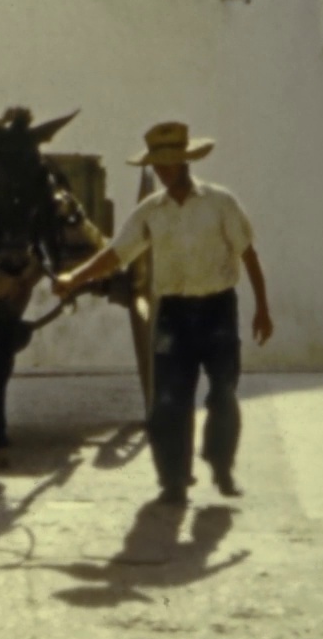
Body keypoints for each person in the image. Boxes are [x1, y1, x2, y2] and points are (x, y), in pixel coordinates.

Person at [52, 121, 273, 505]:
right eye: (158, 165)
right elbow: (116, 254)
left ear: (185, 163)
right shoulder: (150, 212)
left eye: (170, 163)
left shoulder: (221, 203)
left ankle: (221, 466)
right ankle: (174, 478)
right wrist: (75, 276)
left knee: (223, 394)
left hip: (218, 311)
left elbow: (248, 254)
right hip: (172, 314)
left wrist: (262, 310)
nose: (163, 171)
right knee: (169, 400)